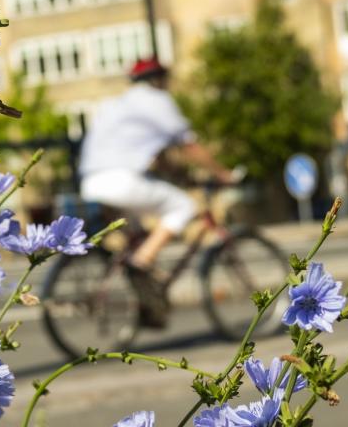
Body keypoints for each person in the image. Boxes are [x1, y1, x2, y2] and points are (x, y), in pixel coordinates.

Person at [78, 58, 234, 321]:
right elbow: (189, 145)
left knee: (136, 233)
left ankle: (144, 293)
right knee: (184, 206)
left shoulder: (114, 104)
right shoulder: (158, 101)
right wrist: (222, 174)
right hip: (121, 181)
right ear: (158, 80)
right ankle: (142, 263)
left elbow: (156, 155)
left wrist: (177, 175)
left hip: (90, 181)